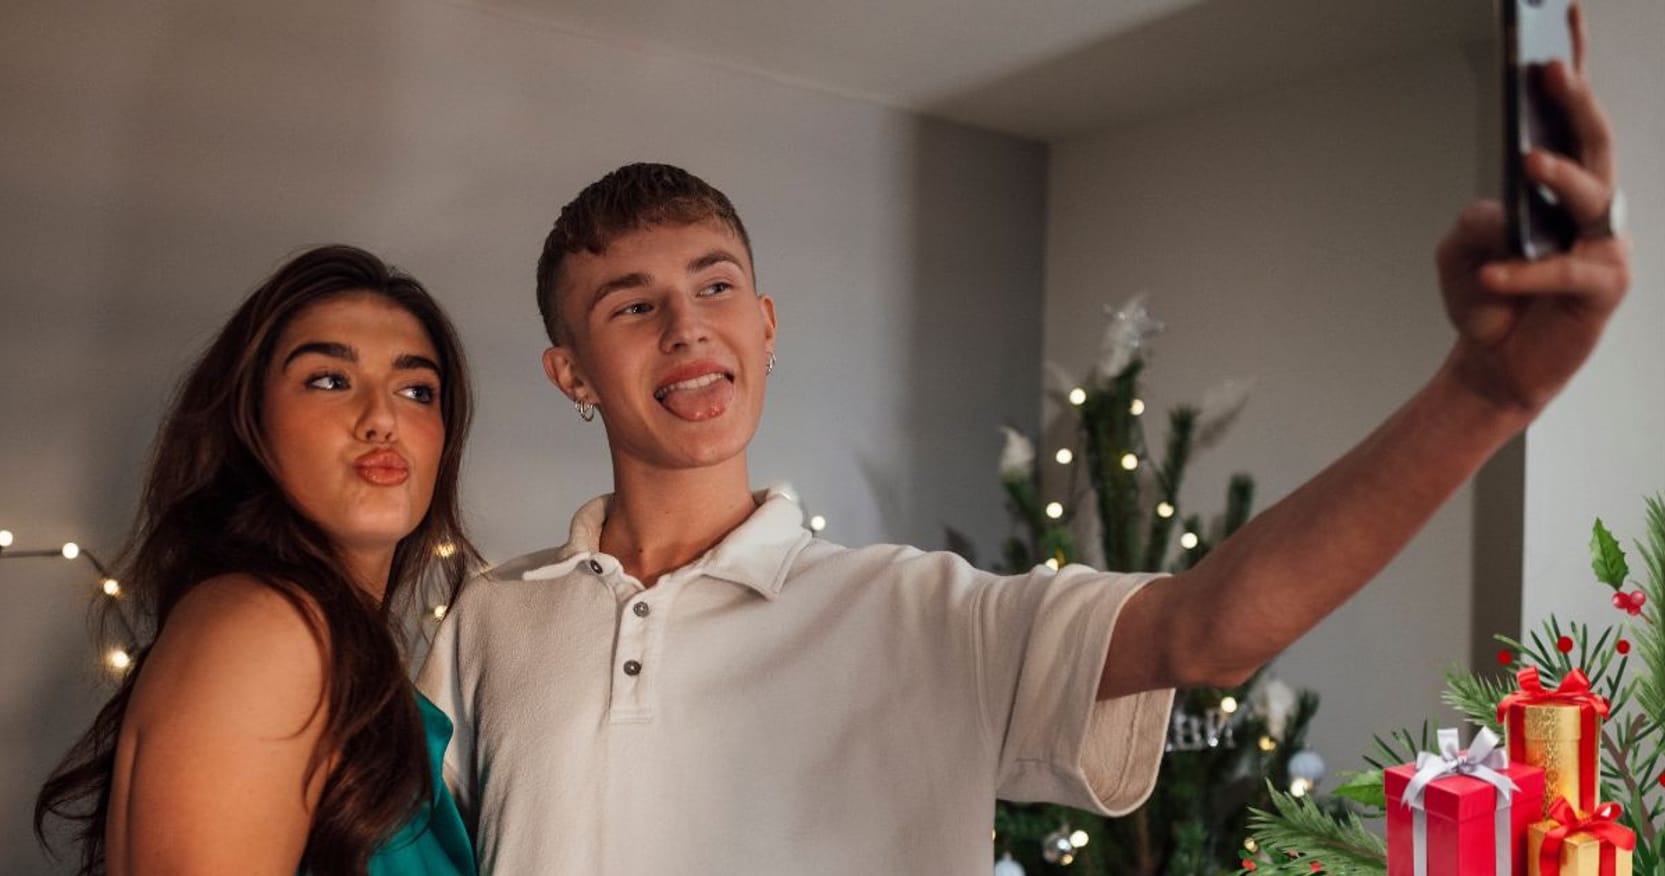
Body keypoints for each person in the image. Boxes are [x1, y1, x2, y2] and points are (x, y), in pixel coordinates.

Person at [420, 7, 1630, 872]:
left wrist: (1484, 394)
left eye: (716, 285)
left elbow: (1211, 627)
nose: (688, 326)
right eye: (632, 306)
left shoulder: (923, 616)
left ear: (766, 327)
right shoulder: (486, 622)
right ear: (571, 373)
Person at [35, 245, 481, 876]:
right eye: (330, 380)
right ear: (250, 420)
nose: (382, 419)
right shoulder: (269, 627)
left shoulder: (318, 642)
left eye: (416, 390)